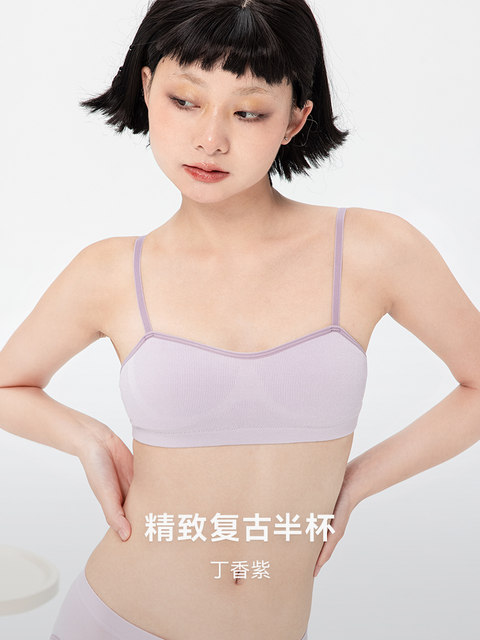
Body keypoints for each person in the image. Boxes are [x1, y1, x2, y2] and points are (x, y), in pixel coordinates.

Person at [0, 1, 478, 639]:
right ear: (148, 88)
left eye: (248, 112)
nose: (210, 139)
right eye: (184, 100)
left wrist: (354, 484)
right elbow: (8, 384)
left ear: (295, 119)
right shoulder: (110, 271)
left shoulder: (373, 250)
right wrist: (87, 438)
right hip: (115, 618)